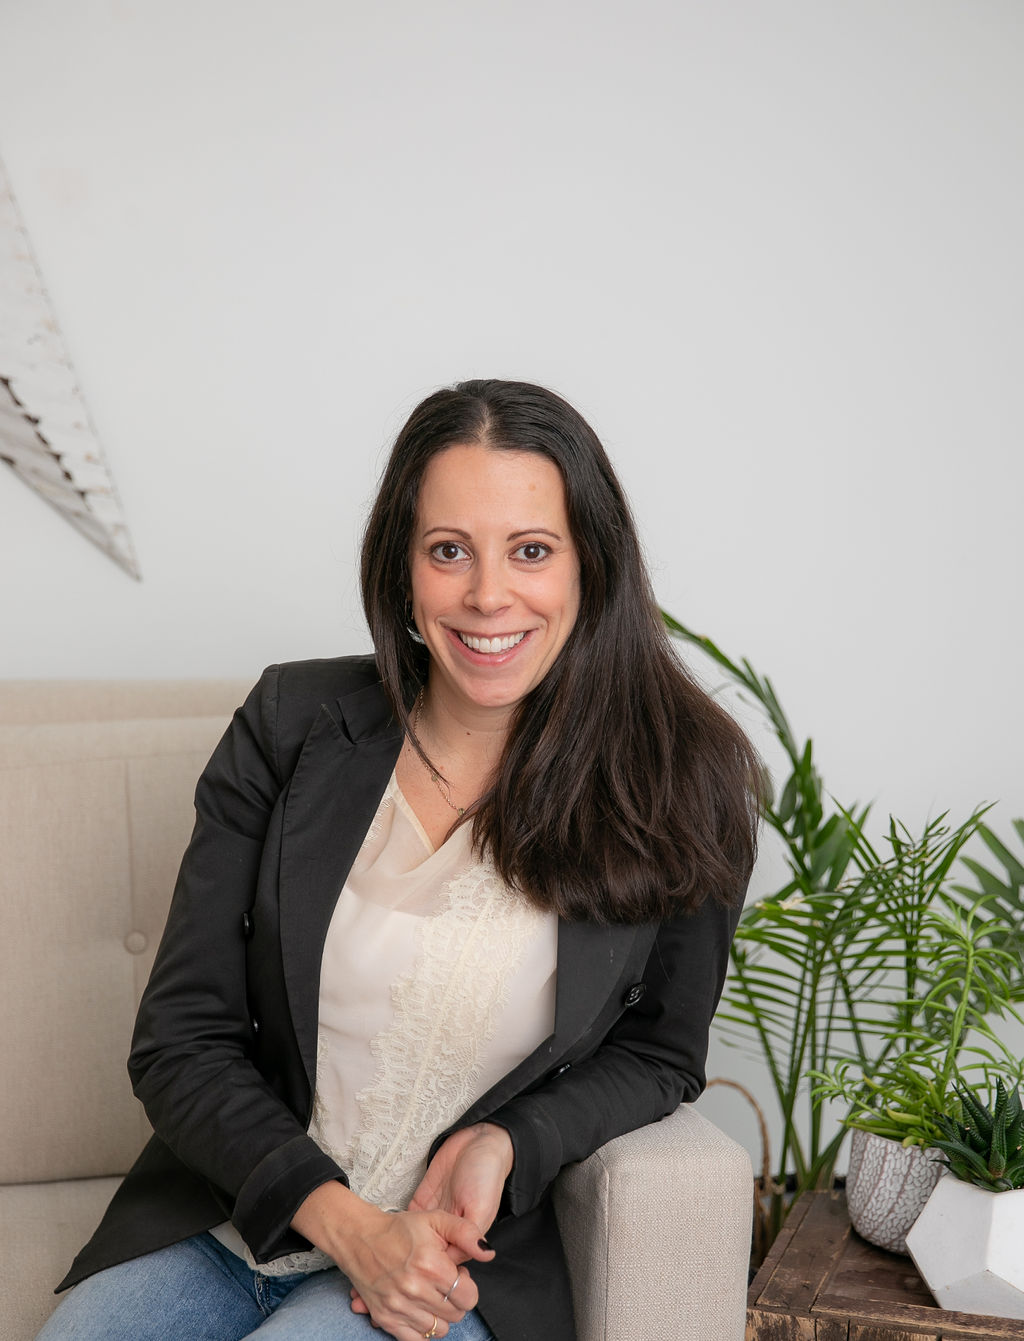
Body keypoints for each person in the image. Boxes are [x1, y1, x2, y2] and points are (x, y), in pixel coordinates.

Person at [39, 379, 762, 1341]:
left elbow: (660, 1053)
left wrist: (511, 1139)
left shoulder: (685, 779)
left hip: (452, 1267)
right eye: (449, 550)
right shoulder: (290, 725)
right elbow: (180, 1038)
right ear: (403, 569)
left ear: (591, 566)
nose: (488, 594)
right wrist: (345, 1224)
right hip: (233, 1221)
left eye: (532, 551)